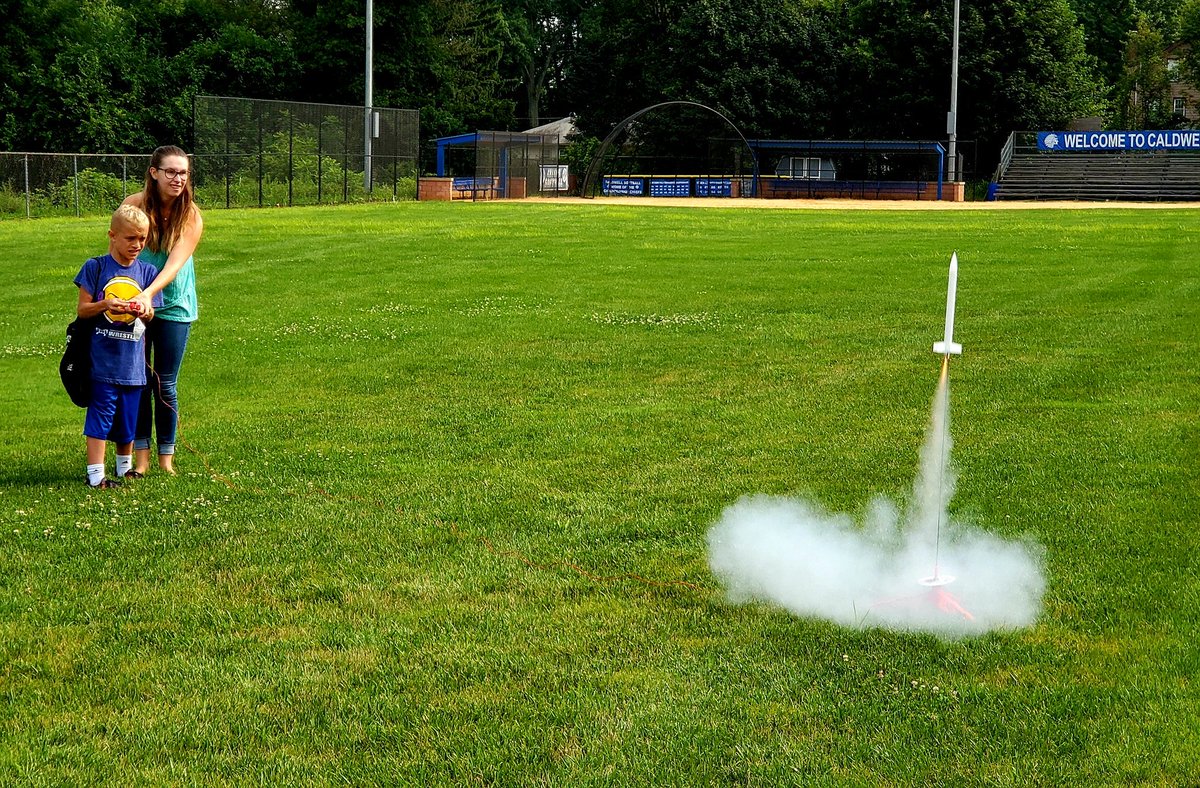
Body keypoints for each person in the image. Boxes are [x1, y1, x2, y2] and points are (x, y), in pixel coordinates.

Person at [123, 145, 204, 476]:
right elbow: (121, 254)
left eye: (183, 172)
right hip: (136, 308)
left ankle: (165, 459)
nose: (178, 179)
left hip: (173, 306)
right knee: (139, 380)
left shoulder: (191, 216)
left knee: (164, 383)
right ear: (154, 173)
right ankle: (140, 461)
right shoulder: (134, 206)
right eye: (171, 171)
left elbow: (174, 265)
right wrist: (129, 298)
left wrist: (148, 294)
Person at [74, 205, 163, 488]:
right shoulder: (95, 267)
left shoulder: (148, 272)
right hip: (101, 361)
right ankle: (96, 475)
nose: (137, 245)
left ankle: (124, 469)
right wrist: (104, 304)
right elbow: (83, 310)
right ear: (112, 236)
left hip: (133, 363)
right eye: (130, 239)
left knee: (128, 418)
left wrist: (143, 310)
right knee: (100, 416)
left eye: (142, 238)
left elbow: (152, 315)